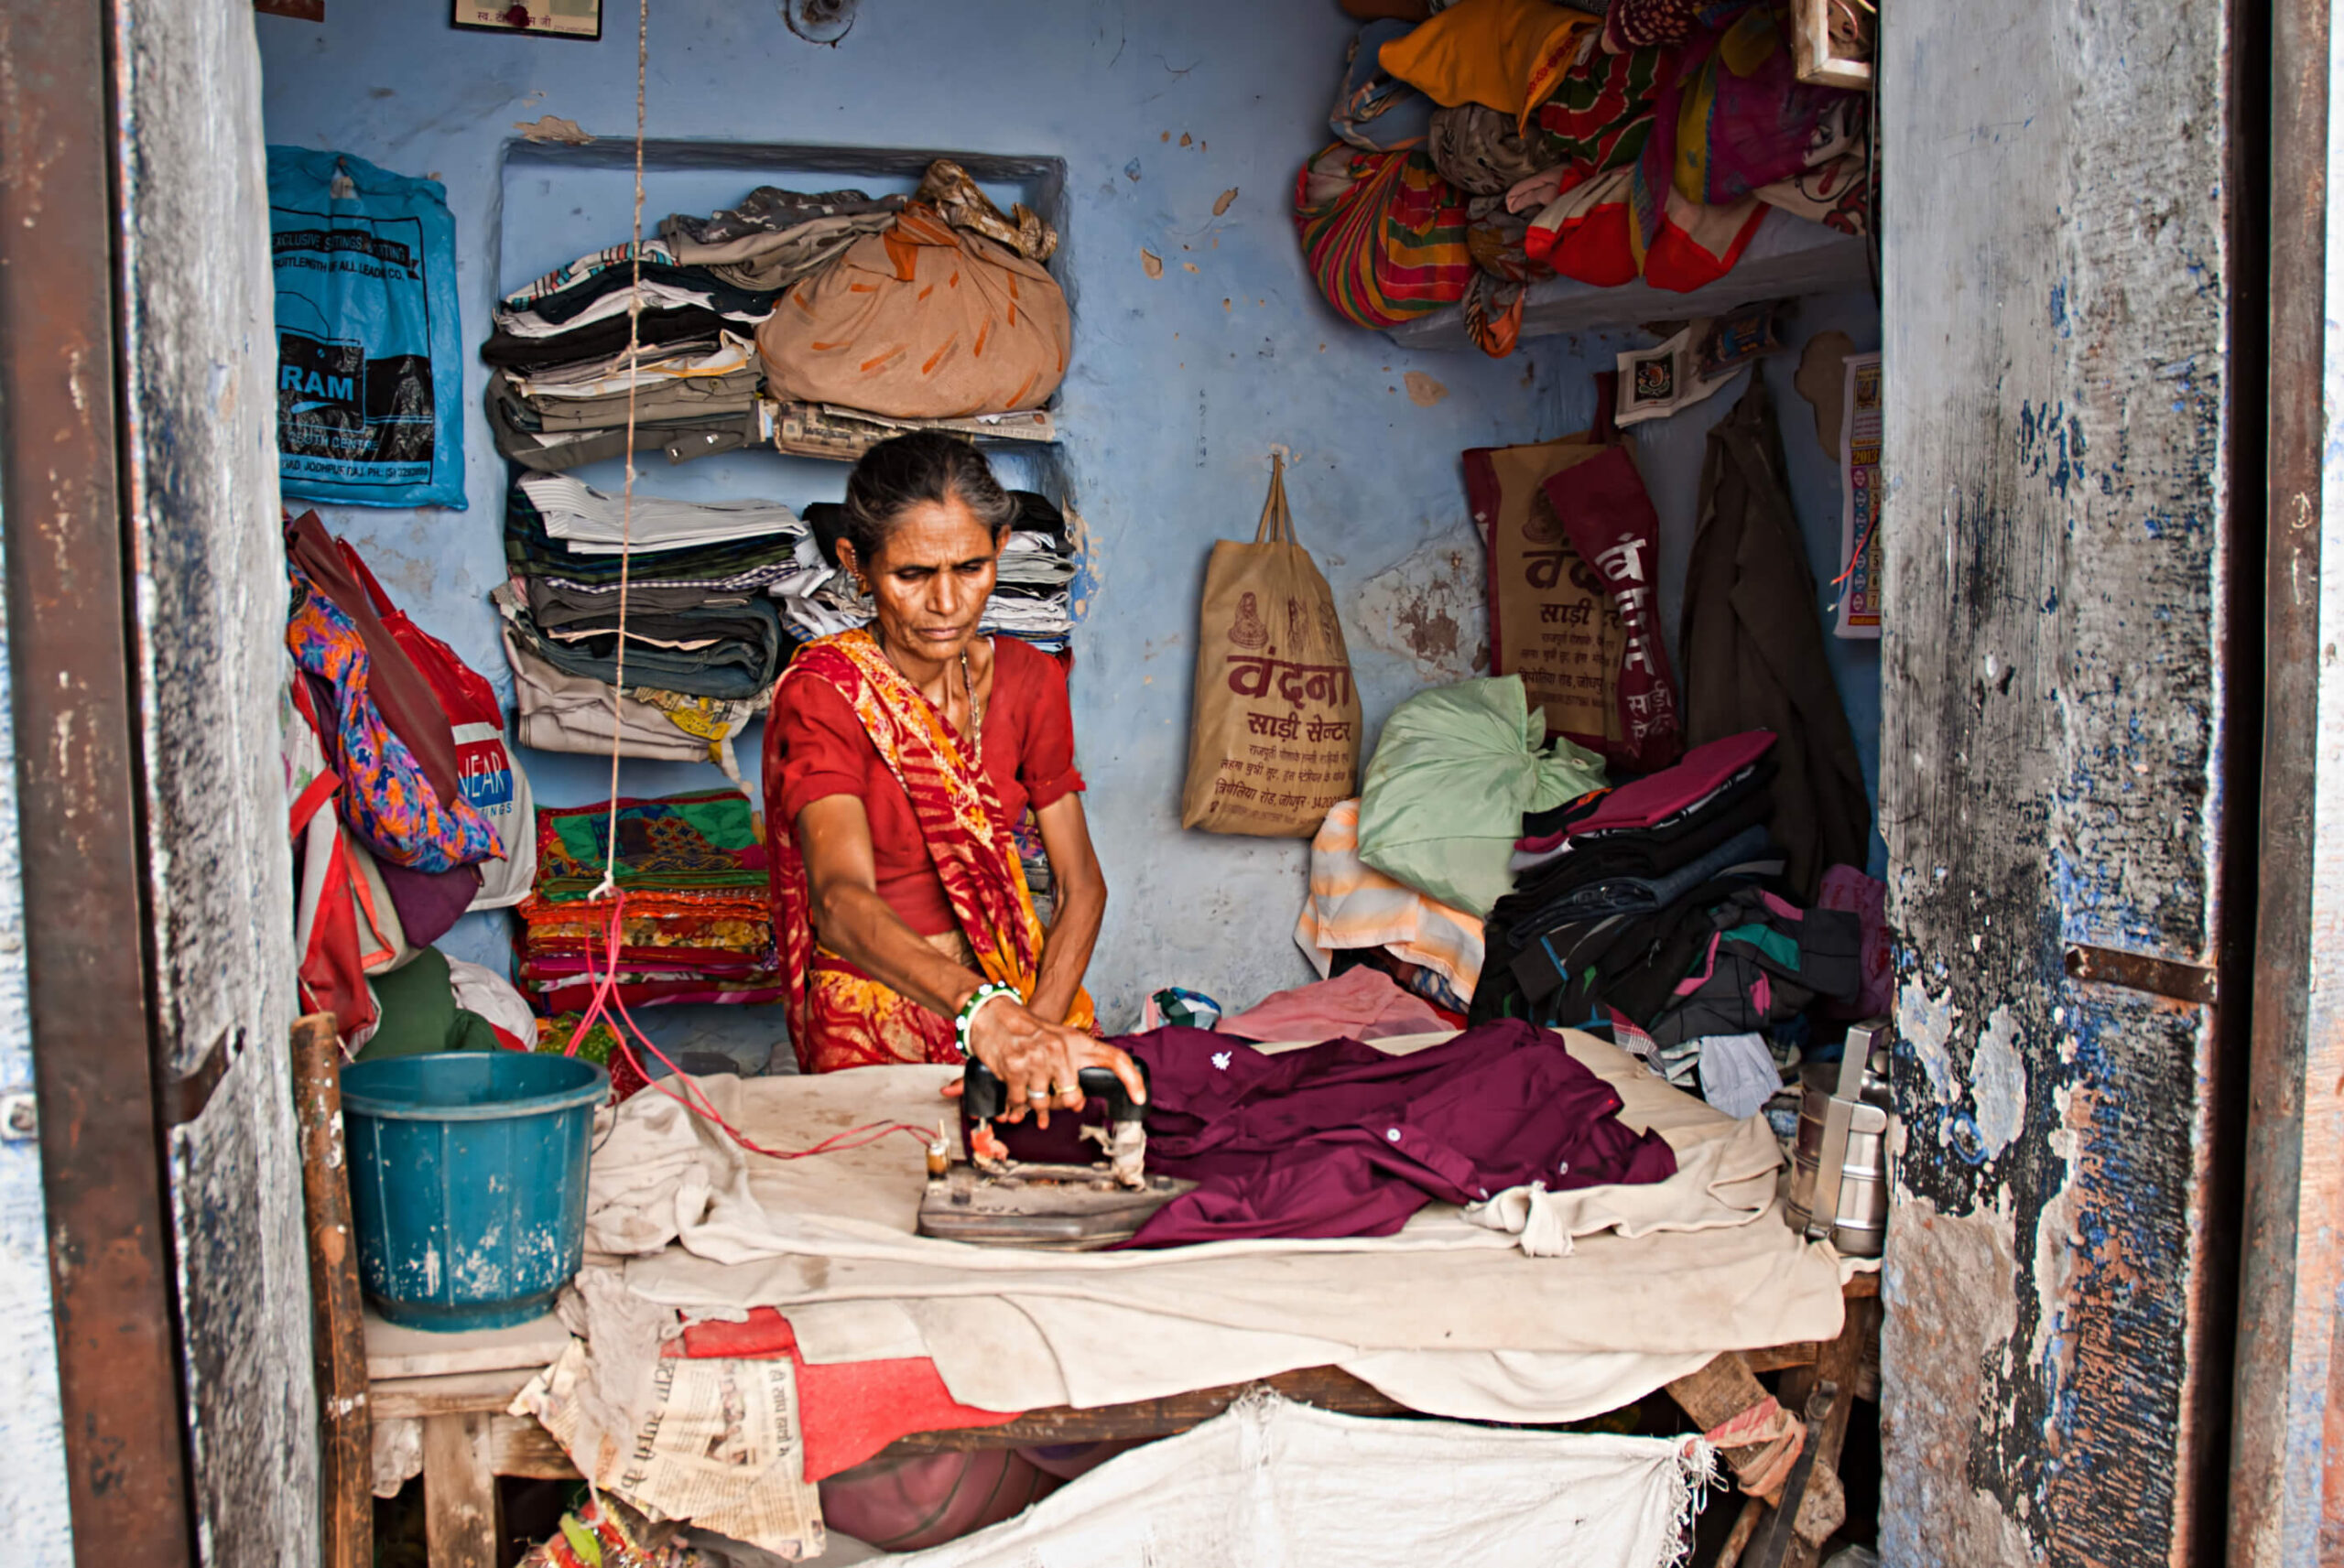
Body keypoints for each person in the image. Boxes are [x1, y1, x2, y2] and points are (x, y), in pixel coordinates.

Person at [765, 432, 1142, 1122]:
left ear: (1001, 547)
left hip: (1016, 1000)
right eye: (912, 574)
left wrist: (1033, 1028)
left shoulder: (1031, 681)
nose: (946, 602)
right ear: (857, 563)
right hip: (876, 1010)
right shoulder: (826, 695)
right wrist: (984, 1017)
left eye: (970, 567)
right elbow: (843, 901)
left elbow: (1081, 883)